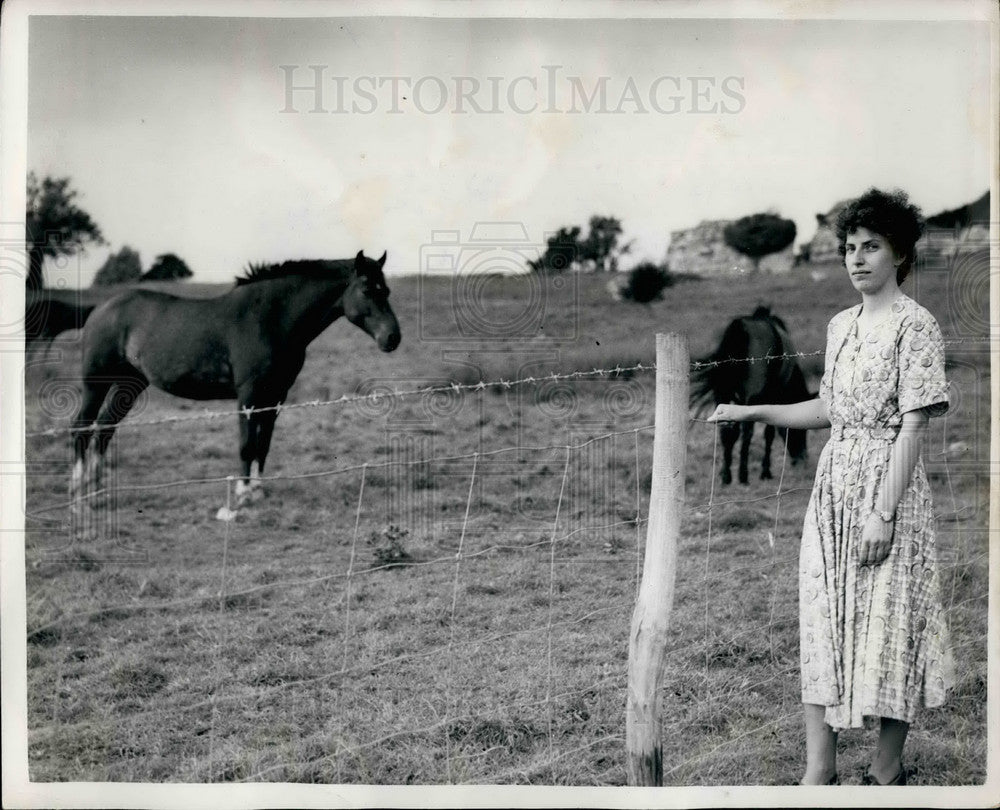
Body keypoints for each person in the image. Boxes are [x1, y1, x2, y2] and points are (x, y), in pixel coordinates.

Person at [708, 188, 952, 786]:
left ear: (899, 254)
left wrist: (884, 513)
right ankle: (819, 772)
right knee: (822, 615)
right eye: (849, 248)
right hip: (834, 487)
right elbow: (829, 409)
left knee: (892, 616)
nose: (857, 259)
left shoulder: (916, 326)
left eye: (872, 247)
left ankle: (886, 768)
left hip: (887, 487)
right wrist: (754, 415)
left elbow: (914, 424)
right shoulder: (840, 325)